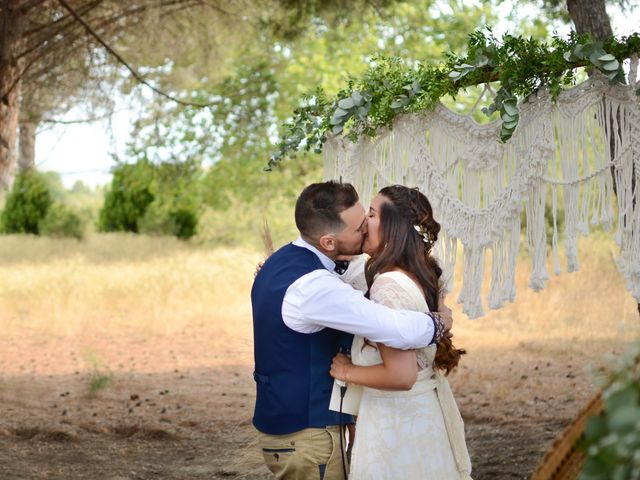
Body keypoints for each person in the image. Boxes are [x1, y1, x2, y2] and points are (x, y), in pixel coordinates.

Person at [251, 181, 453, 480]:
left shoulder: (286, 262)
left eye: (369, 216)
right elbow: (395, 328)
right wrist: (441, 322)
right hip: (307, 437)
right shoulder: (314, 286)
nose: (365, 229)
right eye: (360, 224)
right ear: (329, 242)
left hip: (291, 429)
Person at [330, 185, 472, 479]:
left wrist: (346, 371)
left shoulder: (388, 286)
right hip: (423, 418)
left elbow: (400, 375)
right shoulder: (423, 272)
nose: (363, 223)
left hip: (397, 426)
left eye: (371, 214)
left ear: (392, 227)